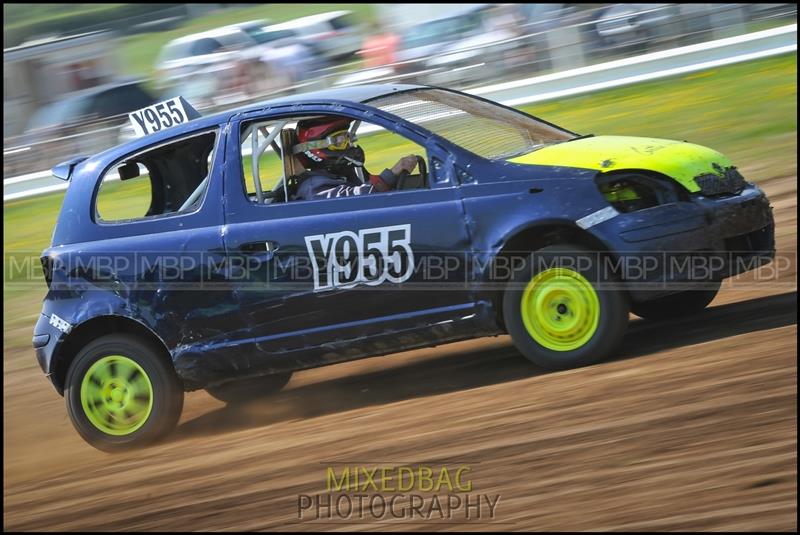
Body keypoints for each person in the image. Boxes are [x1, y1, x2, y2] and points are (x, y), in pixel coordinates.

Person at [291, 116, 420, 201]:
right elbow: (358, 200)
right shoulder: (314, 188)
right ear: (314, 148)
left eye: (348, 138)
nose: (347, 145)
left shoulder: (342, 174)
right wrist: (392, 173)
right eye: (339, 141)